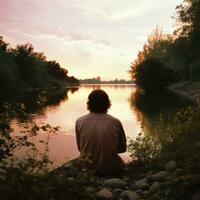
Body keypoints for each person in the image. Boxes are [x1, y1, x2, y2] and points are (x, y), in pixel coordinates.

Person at [75, 89, 126, 176]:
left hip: (87, 168)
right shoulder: (115, 122)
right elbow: (122, 149)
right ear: (107, 104)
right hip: (110, 170)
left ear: (89, 104)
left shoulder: (79, 121)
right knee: (120, 162)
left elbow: (80, 148)